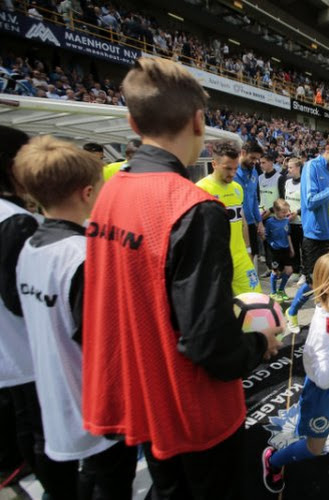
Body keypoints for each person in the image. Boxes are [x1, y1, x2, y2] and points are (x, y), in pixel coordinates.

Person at [81, 57, 281, 499]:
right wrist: (258, 345)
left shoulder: (109, 191)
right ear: (198, 121)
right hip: (193, 412)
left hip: (144, 399)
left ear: (133, 121)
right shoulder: (192, 206)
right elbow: (207, 342)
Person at [14, 135, 138, 498]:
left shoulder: (31, 246)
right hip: (99, 414)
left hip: (54, 401)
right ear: (88, 192)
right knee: (110, 485)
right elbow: (108, 346)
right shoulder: (82, 257)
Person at [261, 251, 329, 500]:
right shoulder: (319, 328)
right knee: (314, 448)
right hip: (322, 394)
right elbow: (321, 378)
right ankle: (274, 460)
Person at [0, 125, 62, 498]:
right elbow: (17, 297)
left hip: (15, 355)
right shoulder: (15, 221)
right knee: (37, 429)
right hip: (23, 353)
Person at [285, 133, 329, 334]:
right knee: (314, 283)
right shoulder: (312, 167)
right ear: (328, 149)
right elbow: (311, 201)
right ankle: (292, 311)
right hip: (315, 236)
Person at [197, 140, 261, 295]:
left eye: (235, 168)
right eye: (227, 168)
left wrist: (248, 249)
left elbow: (242, 221)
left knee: (256, 301)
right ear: (214, 164)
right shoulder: (200, 190)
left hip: (240, 258)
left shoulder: (237, 188)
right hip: (216, 262)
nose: (232, 173)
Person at [234, 141, 265, 269]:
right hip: (237, 224)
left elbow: (254, 199)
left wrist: (260, 222)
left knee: (250, 258)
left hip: (251, 223)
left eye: (257, 159)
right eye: (252, 158)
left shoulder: (254, 173)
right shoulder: (232, 172)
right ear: (243, 153)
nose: (255, 162)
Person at [264, 199, 294, 302]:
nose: (286, 214)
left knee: (289, 270)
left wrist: (291, 248)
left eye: (287, 211)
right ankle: (273, 292)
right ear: (276, 211)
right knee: (276, 272)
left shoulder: (286, 221)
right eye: (283, 212)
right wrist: (271, 244)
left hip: (285, 249)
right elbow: (266, 235)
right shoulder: (269, 222)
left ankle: (281, 290)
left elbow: (288, 234)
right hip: (275, 251)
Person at [284, 157, 303, 276]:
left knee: (304, 248)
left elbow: (306, 203)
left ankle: (305, 273)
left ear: (298, 168)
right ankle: (296, 271)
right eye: (288, 167)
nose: (288, 170)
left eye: (291, 167)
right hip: (289, 221)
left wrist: (297, 212)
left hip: (300, 221)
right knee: (293, 248)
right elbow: (285, 200)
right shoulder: (287, 182)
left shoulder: (304, 183)